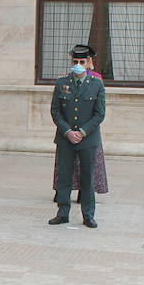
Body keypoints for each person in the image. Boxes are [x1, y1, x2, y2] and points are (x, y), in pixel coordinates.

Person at [49, 44, 106, 229]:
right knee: (64, 177)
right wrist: (68, 131)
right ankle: (62, 212)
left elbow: (99, 113)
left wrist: (82, 132)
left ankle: (88, 215)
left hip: (88, 139)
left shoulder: (97, 84)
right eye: (75, 61)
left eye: (82, 61)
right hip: (66, 138)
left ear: (89, 63)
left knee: (87, 177)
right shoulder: (62, 83)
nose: (78, 65)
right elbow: (56, 111)